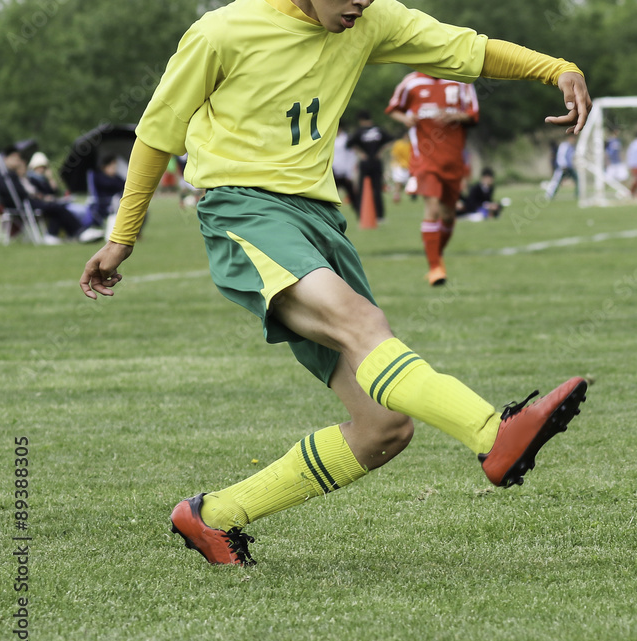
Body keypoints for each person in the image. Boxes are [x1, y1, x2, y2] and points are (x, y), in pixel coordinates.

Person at [79, 0, 592, 568]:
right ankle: (493, 434)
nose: (360, 3)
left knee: (384, 428)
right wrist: (122, 236)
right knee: (364, 326)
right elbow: (156, 134)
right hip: (244, 212)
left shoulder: (369, 19)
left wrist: (557, 68)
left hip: (321, 223)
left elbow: (465, 49)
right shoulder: (221, 31)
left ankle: (213, 515)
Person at [386, 73, 479, 286]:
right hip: (424, 159)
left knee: (448, 215)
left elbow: (473, 115)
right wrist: (406, 119)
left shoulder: (462, 82)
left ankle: (436, 256)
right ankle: (435, 267)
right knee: (433, 209)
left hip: (453, 158)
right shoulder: (411, 82)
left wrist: (456, 116)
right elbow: (393, 109)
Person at [0, 146, 100, 244]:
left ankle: (55, 235)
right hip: (23, 205)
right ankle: (79, 232)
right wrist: (35, 196)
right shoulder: (5, 176)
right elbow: (16, 194)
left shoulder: (14, 175)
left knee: (56, 207)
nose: (18, 161)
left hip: (28, 202)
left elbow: (50, 191)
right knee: (56, 207)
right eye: (15, 158)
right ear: (6, 159)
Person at [346, 109, 393, 221]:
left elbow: (349, 144)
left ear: (361, 120)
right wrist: (381, 151)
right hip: (376, 163)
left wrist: (361, 153)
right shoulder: (379, 130)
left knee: (363, 189)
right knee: (377, 190)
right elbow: (391, 140)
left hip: (366, 164)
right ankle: (379, 216)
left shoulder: (359, 131)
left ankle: (363, 215)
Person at [332, 127, 359, 215]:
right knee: (331, 198)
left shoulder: (347, 140)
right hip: (334, 172)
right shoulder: (331, 139)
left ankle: (360, 214)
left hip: (344, 173)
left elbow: (351, 157)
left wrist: (349, 173)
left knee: (353, 196)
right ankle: (331, 216)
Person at [545, 134, 577, 200]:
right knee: (556, 181)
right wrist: (563, 165)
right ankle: (549, 195)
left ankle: (578, 195)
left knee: (577, 179)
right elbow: (561, 156)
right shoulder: (564, 146)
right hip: (563, 167)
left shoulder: (572, 147)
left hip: (569, 167)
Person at [388, 135, 413, 204]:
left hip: (408, 165)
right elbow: (394, 154)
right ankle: (396, 195)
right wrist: (394, 163)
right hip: (399, 165)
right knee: (398, 181)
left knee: (403, 182)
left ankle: (398, 194)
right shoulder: (398, 144)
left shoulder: (411, 144)